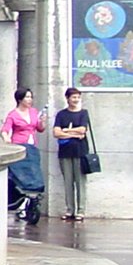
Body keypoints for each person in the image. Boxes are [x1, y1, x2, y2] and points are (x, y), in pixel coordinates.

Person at [1, 87, 48, 224]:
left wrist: (42, 122)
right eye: (27, 97)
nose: (30, 100)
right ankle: (19, 199)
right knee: (20, 173)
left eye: (31, 97)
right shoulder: (13, 115)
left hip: (32, 146)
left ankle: (33, 197)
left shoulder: (33, 112)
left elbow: (39, 129)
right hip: (19, 144)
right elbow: (5, 130)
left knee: (34, 172)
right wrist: (6, 139)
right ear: (20, 99)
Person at [52, 86, 91, 222]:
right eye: (74, 97)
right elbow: (56, 133)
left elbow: (82, 130)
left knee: (80, 183)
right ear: (67, 98)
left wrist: (67, 131)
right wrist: (73, 133)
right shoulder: (61, 114)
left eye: (78, 97)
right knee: (68, 182)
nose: (76, 100)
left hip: (80, 151)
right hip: (65, 152)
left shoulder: (83, 113)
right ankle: (69, 210)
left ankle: (81, 211)